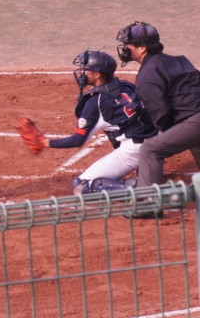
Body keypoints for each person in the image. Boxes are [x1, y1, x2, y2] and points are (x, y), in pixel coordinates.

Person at [16, 50, 158, 195]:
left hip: (134, 151)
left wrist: (43, 142)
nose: (82, 73)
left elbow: (78, 140)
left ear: (97, 74)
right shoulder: (125, 85)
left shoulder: (95, 102)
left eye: (86, 69)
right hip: (157, 140)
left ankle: (137, 188)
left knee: (82, 185)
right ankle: (146, 168)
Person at [116, 21, 200, 187]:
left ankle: (147, 199)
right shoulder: (178, 60)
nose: (126, 48)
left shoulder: (146, 76)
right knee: (195, 141)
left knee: (150, 149)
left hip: (196, 122)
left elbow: (161, 112)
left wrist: (168, 131)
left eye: (129, 44)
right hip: (195, 120)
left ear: (142, 48)